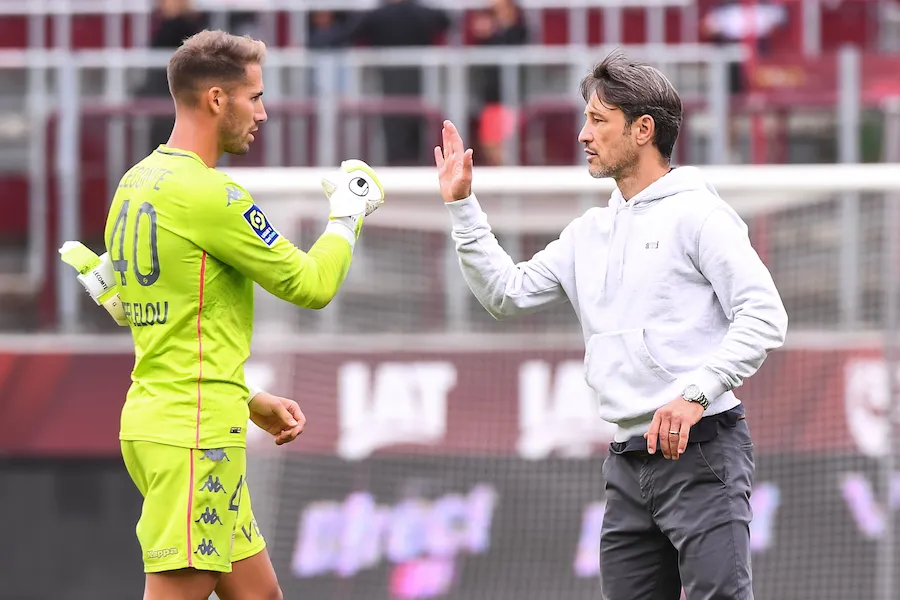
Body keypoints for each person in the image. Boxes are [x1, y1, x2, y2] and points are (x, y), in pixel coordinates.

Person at [434, 50, 788, 600]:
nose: (583, 134)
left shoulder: (700, 214)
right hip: (626, 463)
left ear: (643, 130)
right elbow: (506, 294)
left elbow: (764, 315)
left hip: (702, 449)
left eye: (598, 120)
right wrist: (463, 208)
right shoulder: (588, 232)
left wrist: (695, 393)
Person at [102, 30, 383, 600]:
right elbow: (310, 284)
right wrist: (346, 216)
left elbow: (160, 319)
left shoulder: (134, 182)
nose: (262, 112)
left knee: (259, 596)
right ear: (216, 99)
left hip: (167, 418)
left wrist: (245, 398)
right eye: (254, 97)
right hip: (194, 434)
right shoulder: (211, 195)